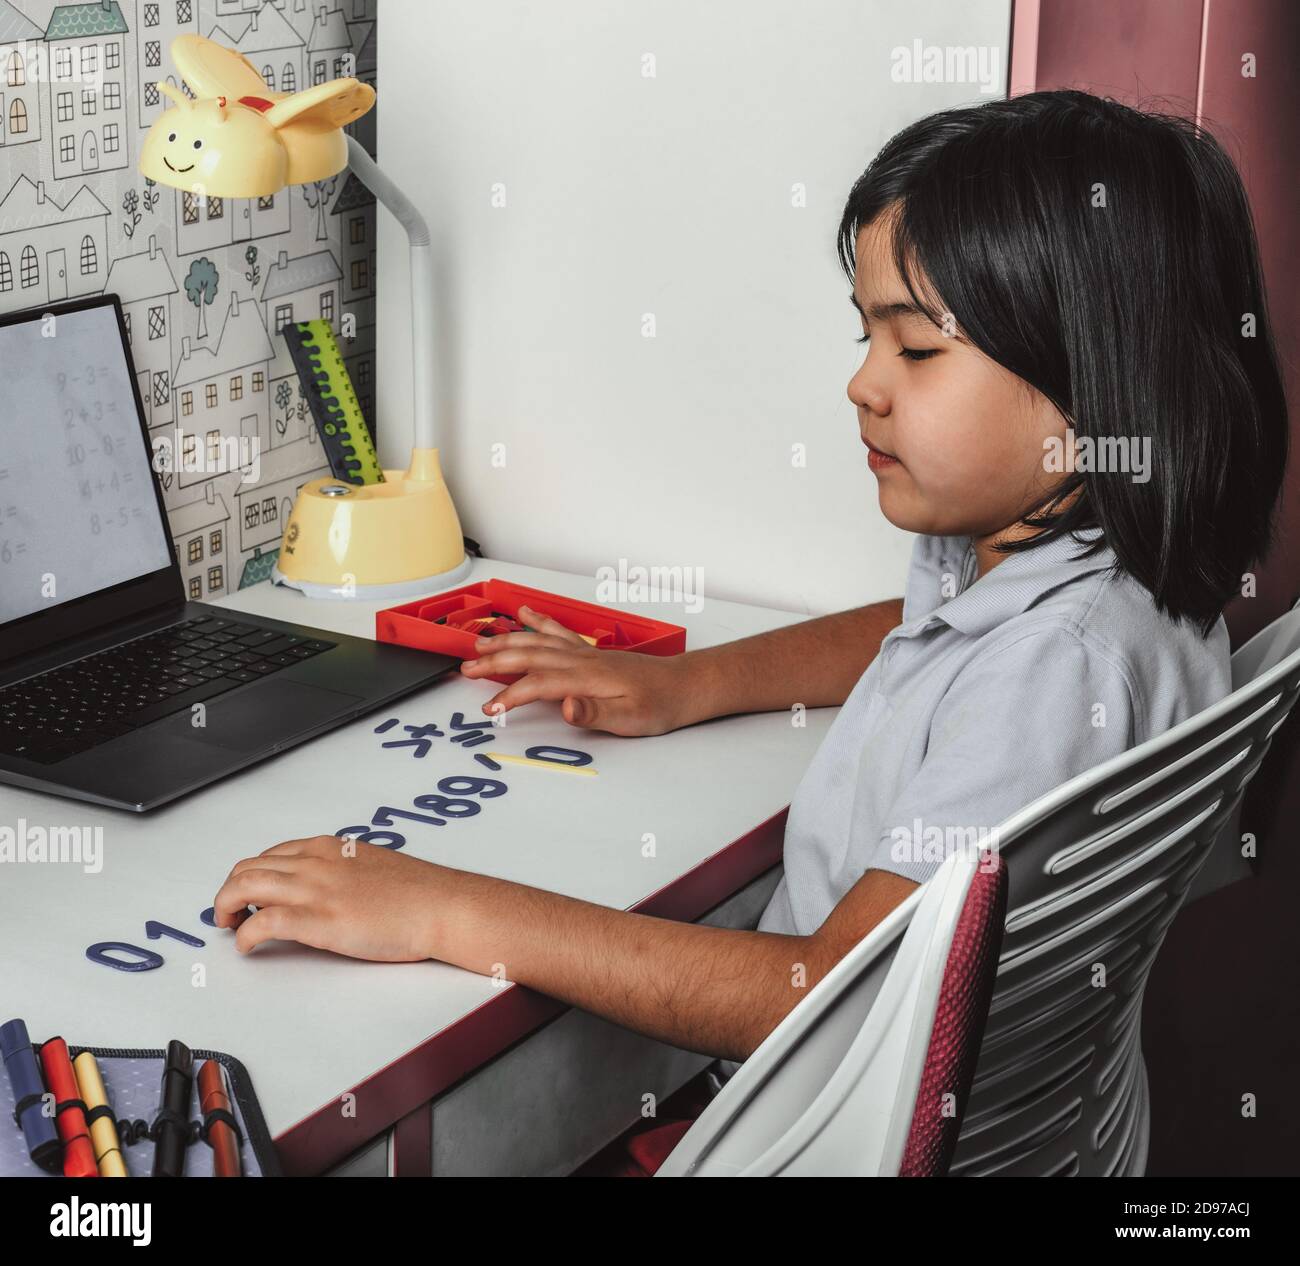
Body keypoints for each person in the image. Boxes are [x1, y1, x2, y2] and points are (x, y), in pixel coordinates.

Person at [213, 90, 1288, 1155]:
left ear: (1095, 382)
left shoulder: (1055, 672)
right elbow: (915, 632)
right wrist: (691, 683)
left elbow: (819, 996)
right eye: (865, 335)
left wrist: (443, 910)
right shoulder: (1100, 575)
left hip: (816, 1131)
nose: (862, 385)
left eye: (915, 351)